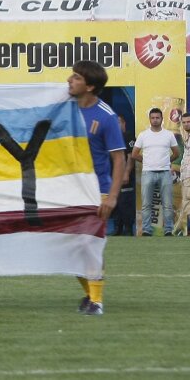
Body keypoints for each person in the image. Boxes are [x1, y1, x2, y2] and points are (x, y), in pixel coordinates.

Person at [67, 60, 126, 315]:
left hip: (96, 191)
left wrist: (112, 197)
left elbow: (119, 158)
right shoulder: (64, 108)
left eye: (77, 78)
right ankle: (90, 294)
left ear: (90, 86)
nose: (70, 80)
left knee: (89, 245)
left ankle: (97, 301)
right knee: (69, 248)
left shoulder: (106, 116)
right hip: (69, 190)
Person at [132, 107, 180, 237]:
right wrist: (147, 161)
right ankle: (147, 230)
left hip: (165, 172)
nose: (155, 120)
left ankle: (168, 230)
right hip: (148, 172)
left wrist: (167, 161)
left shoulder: (169, 135)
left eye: (157, 118)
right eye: (152, 118)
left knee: (168, 204)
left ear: (161, 119)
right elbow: (134, 154)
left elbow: (176, 153)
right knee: (147, 204)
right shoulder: (143, 135)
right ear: (150, 119)